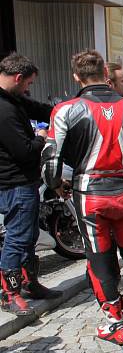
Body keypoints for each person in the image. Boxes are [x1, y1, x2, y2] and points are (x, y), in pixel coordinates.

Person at [44, 50, 123, 345]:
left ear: (76, 76)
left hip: (89, 195)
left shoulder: (66, 110)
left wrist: (56, 185)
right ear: (106, 73)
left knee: (100, 259)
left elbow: (50, 159)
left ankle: (115, 323)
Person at [0, 53, 60, 316]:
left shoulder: (14, 99)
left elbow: (42, 109)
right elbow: (24, 151)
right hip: (15, 182)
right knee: (17, 238)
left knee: (28, 236)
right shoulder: (4, 110)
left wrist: (68, 110)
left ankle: (29, 283)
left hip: (20, 182)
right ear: (17, 78)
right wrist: (41, 137)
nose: (29, 89)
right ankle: (9, 293)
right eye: (28, 83)